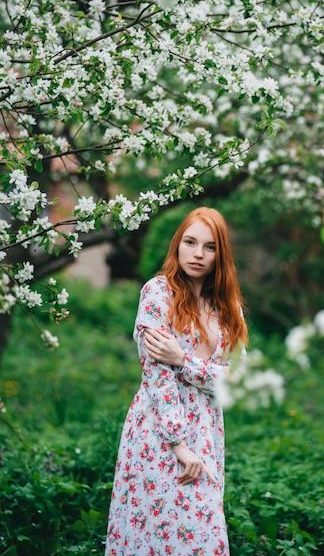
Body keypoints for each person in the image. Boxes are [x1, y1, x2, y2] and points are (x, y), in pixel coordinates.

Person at [105, 206, 248, 556]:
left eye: (209, 246)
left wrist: (182, 360)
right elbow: (156, 375)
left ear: (221, 254)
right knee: (155, 537)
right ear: (177, 244)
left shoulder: (228, 307)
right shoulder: (158, 293)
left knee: (203, 539)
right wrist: (179, 444)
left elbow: (238, 381)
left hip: (208, 433)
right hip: (160, 433)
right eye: (190, 242)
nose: (198, 254)